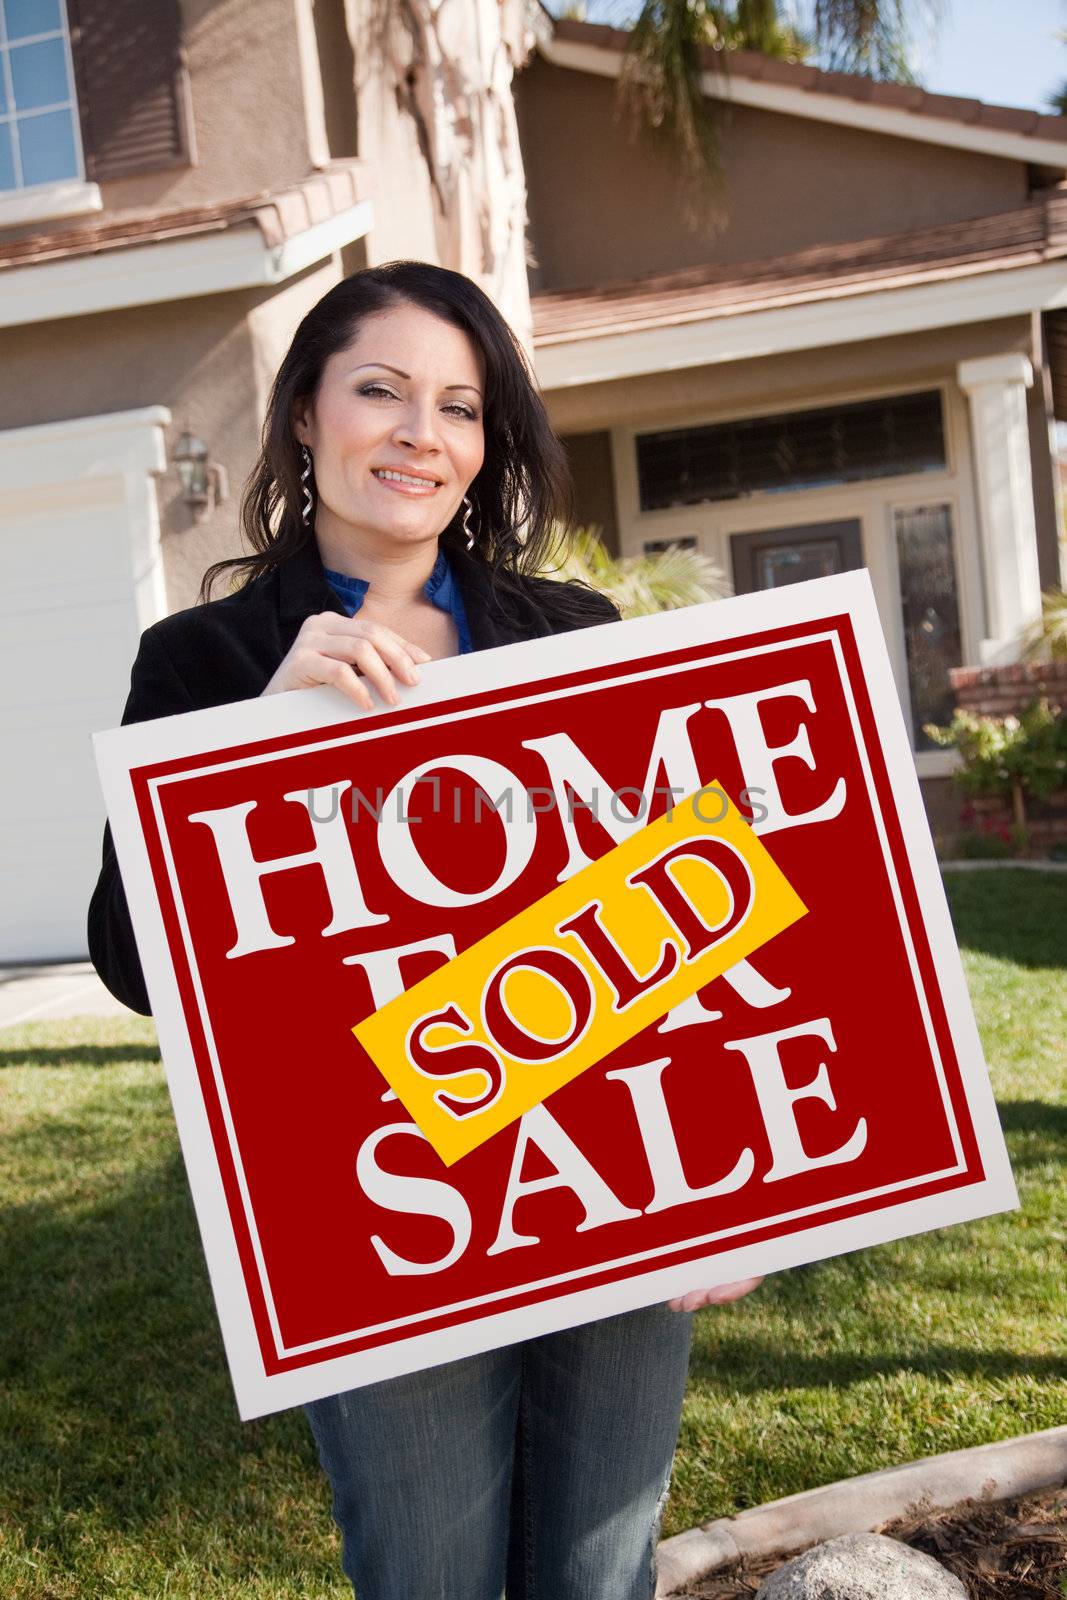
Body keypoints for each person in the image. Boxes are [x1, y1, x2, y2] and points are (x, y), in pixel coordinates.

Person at [87, 260, 761, 1600]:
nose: (419, 432)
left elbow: (685, 919)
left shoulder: (573, 633)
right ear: (304, 418)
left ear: (483, 446)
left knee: (598, 1574)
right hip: (376, 1198)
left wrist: (732, 1192)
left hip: (611, 1173)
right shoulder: (203, 663)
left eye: (458, 407)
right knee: (431, 1576)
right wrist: (261, 745)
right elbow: (129, 959)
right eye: (380, 390)